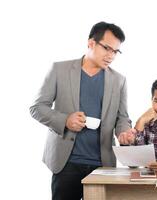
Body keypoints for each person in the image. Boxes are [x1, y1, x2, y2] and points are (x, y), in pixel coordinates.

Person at [30, 21, 134, 200]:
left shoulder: (119, 81)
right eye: (107, 48)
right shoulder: (59, 69)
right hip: (66, 162)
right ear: (91, 43)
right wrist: (65, 120)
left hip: (103, 164)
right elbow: (37, 108)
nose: (111, 56)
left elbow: (122, 118)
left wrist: (124, 131)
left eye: (115, 51)